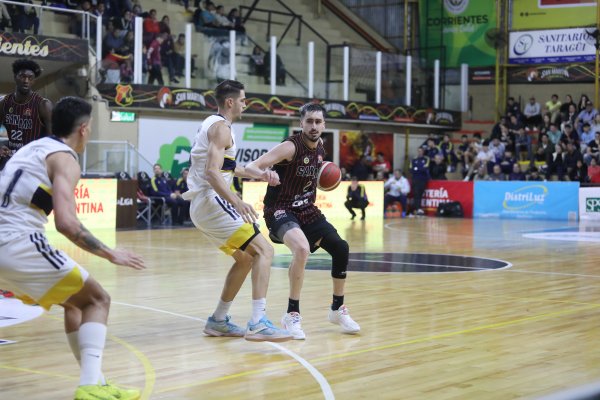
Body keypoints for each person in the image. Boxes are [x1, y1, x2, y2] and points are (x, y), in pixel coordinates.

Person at [0, 97, 145, 400]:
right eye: (90, 128)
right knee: (98, 299)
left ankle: (98, 382)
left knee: (74, 303)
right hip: (16, 241)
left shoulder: (31, 149)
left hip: (6, 242)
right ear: (82, 129)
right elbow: (66, 223)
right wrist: (110, 252)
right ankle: (90, 386)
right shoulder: (65, 157)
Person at [182, 80, 291, 342]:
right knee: (266, 250)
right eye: (242, 99)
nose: (245, 103)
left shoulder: (215, 125)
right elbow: (211, 173)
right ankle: (258, 323)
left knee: (245, 258)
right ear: (230, 102)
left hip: (202, 206)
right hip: (211, 201)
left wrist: (261, 174)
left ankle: (218, 320)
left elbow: (224, 167)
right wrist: (236, 201)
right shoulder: (221, 129)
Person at [247, 103, 361, 340]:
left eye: (318, 122)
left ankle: (337, 309)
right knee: (301, 248)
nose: (313, 126)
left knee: (341, 248)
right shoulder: (290, 147)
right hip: (280, 209)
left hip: (306, 209)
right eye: (309, 121)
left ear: (324, 125)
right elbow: (252, 166)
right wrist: (266, 173)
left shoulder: (321, 147)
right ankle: (292, 314)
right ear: (301, 124)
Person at [0, 59, 52, 157]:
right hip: (11, 157)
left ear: (34, 81)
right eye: (22, 76)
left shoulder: (43, 105)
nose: (26, 81)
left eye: (30, 78)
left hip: (34, 158)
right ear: (15, 77)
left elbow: (53, 139)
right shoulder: (4, 102)